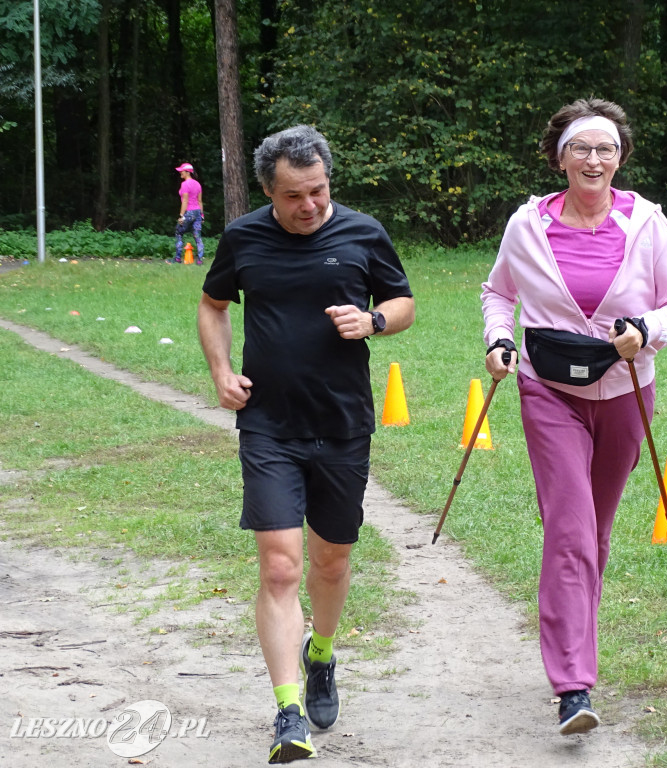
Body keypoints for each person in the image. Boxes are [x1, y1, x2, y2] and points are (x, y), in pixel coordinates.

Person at [480, 98, 667, 736]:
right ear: (560, 157)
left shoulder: (649, 225)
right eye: (582, 148)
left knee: (596, 536)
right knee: (570, 531)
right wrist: (499, 340)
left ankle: (578, 645)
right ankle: (573, 686)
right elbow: (500, 292)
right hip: (547, 391)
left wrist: (646, 330)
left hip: (627, 390)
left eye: (606, 149)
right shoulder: (527, 226)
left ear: (620, 158)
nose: (594, 159)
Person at [197, 124, 415, 763]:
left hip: (344, 423)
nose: (310, 206)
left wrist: (372, 320)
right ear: (268, 190)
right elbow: (213, 304)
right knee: (280, 564)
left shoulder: (362, 232)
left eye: (318, 191)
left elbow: (402, 302)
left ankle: (321, 653)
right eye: (294, 195)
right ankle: (288, 712)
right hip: (269, 424)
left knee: (332, 562)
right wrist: (220, 371)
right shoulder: (244, 238)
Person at [171, 162, 205, 264]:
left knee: (179, 232)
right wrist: (202, 216)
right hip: (198, 212)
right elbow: (200, 201)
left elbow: (185, 201)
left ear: (187, 172)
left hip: (189, 213)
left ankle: (177, 258)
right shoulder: (198, 184)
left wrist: (181, 215)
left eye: (182, 171)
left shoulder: (185, 184)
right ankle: (199, 260)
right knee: (197, 236)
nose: (180, 173)